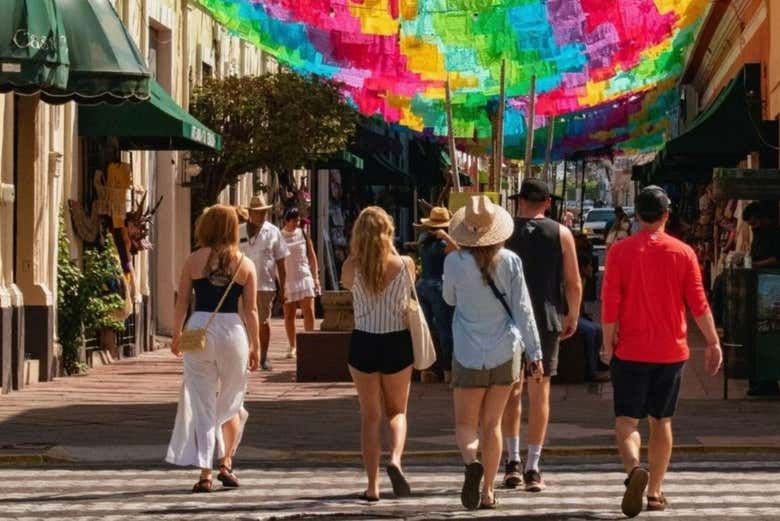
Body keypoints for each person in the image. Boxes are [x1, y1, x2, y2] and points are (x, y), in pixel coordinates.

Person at [600, 185, 722, 517]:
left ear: (637, 215)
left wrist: (607, 343)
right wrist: (712, 341)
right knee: (661, 421)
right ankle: (654, 491)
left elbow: (611, 304)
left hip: (630, 350)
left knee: (626, 422)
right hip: (671, 352)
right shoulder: (683, 253)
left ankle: (633, 471)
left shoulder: (620, 252)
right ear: (667, 215)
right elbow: (698, 303)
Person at [443, 195, 543, 510]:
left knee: (465, 425)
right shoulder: (511, 261)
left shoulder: (454, 262)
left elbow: (448, 300)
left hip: (468, 351)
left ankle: (472, 462)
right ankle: (487, 491)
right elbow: (523, 309)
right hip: (505, 351)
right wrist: (535, 352)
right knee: (493, 424)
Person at [166, 205, 260, 492]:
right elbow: (252, 309)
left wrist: (177, 334)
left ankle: (205, 474)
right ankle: (226, 463)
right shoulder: (245, 264)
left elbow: (181, 301)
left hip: (199, 328)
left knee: (202, 403)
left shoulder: (193, 260)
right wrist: (256, 346)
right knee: (232, 403)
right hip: (233, 330)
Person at [501, 179, 582, 492]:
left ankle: (512, 461)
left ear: (519, 201)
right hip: (545, 320)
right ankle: (534, 464)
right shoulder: (561, 233)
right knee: (540, 392)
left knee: (511, 390)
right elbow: (573, 281)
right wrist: (572, 314)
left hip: (508, 321)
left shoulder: (504, 232)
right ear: (547, 202)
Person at [340, 206, 415, 502]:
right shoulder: (405, 264)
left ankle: (372, 487)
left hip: (363, 341)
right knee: (397, 411)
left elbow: (347, 282)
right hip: (396, 341)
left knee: (370, 416)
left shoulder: (350, 267)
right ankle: (395, 458)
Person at [241, 194, 289, 371]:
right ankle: (244, 355)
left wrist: (283, 288)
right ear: (250, 213)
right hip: (241, 284)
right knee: (242, 321)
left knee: (263, 321)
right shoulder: (239, 231)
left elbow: (281, 261)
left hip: (265, 284)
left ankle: (264, 356)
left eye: (264, 212)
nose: (262, 215)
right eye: (258, 212)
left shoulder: (273, 231)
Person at [415, 207, 458, 383]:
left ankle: (426, 370)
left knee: (425, 330)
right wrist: (447, 236)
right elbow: (459, 250)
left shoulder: (423, 240)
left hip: (422, 285)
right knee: (445, 330)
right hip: (438, 287)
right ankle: (448, 371)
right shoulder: (443, 245)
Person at [742, 201, 780, 396]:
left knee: (769, 332)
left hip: (772, 290)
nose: (752, 226)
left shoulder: (774, 234)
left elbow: (776, 258)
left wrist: (757, 264)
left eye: (754, 222)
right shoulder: (759, 234)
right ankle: (760, 380)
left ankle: (768, 380)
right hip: (760, 288)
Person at [280, 207, 321, 359]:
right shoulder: (279, 236)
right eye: (294, 220)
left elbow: (312, 255)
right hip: (288, 278)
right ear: (286, 220)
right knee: (289, 314)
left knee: (308, 311)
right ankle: (292, 346)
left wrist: (315, 277)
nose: (297, 223)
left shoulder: (303, 233)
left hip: (304, 275)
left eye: (298, 220)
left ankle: (309, 343)